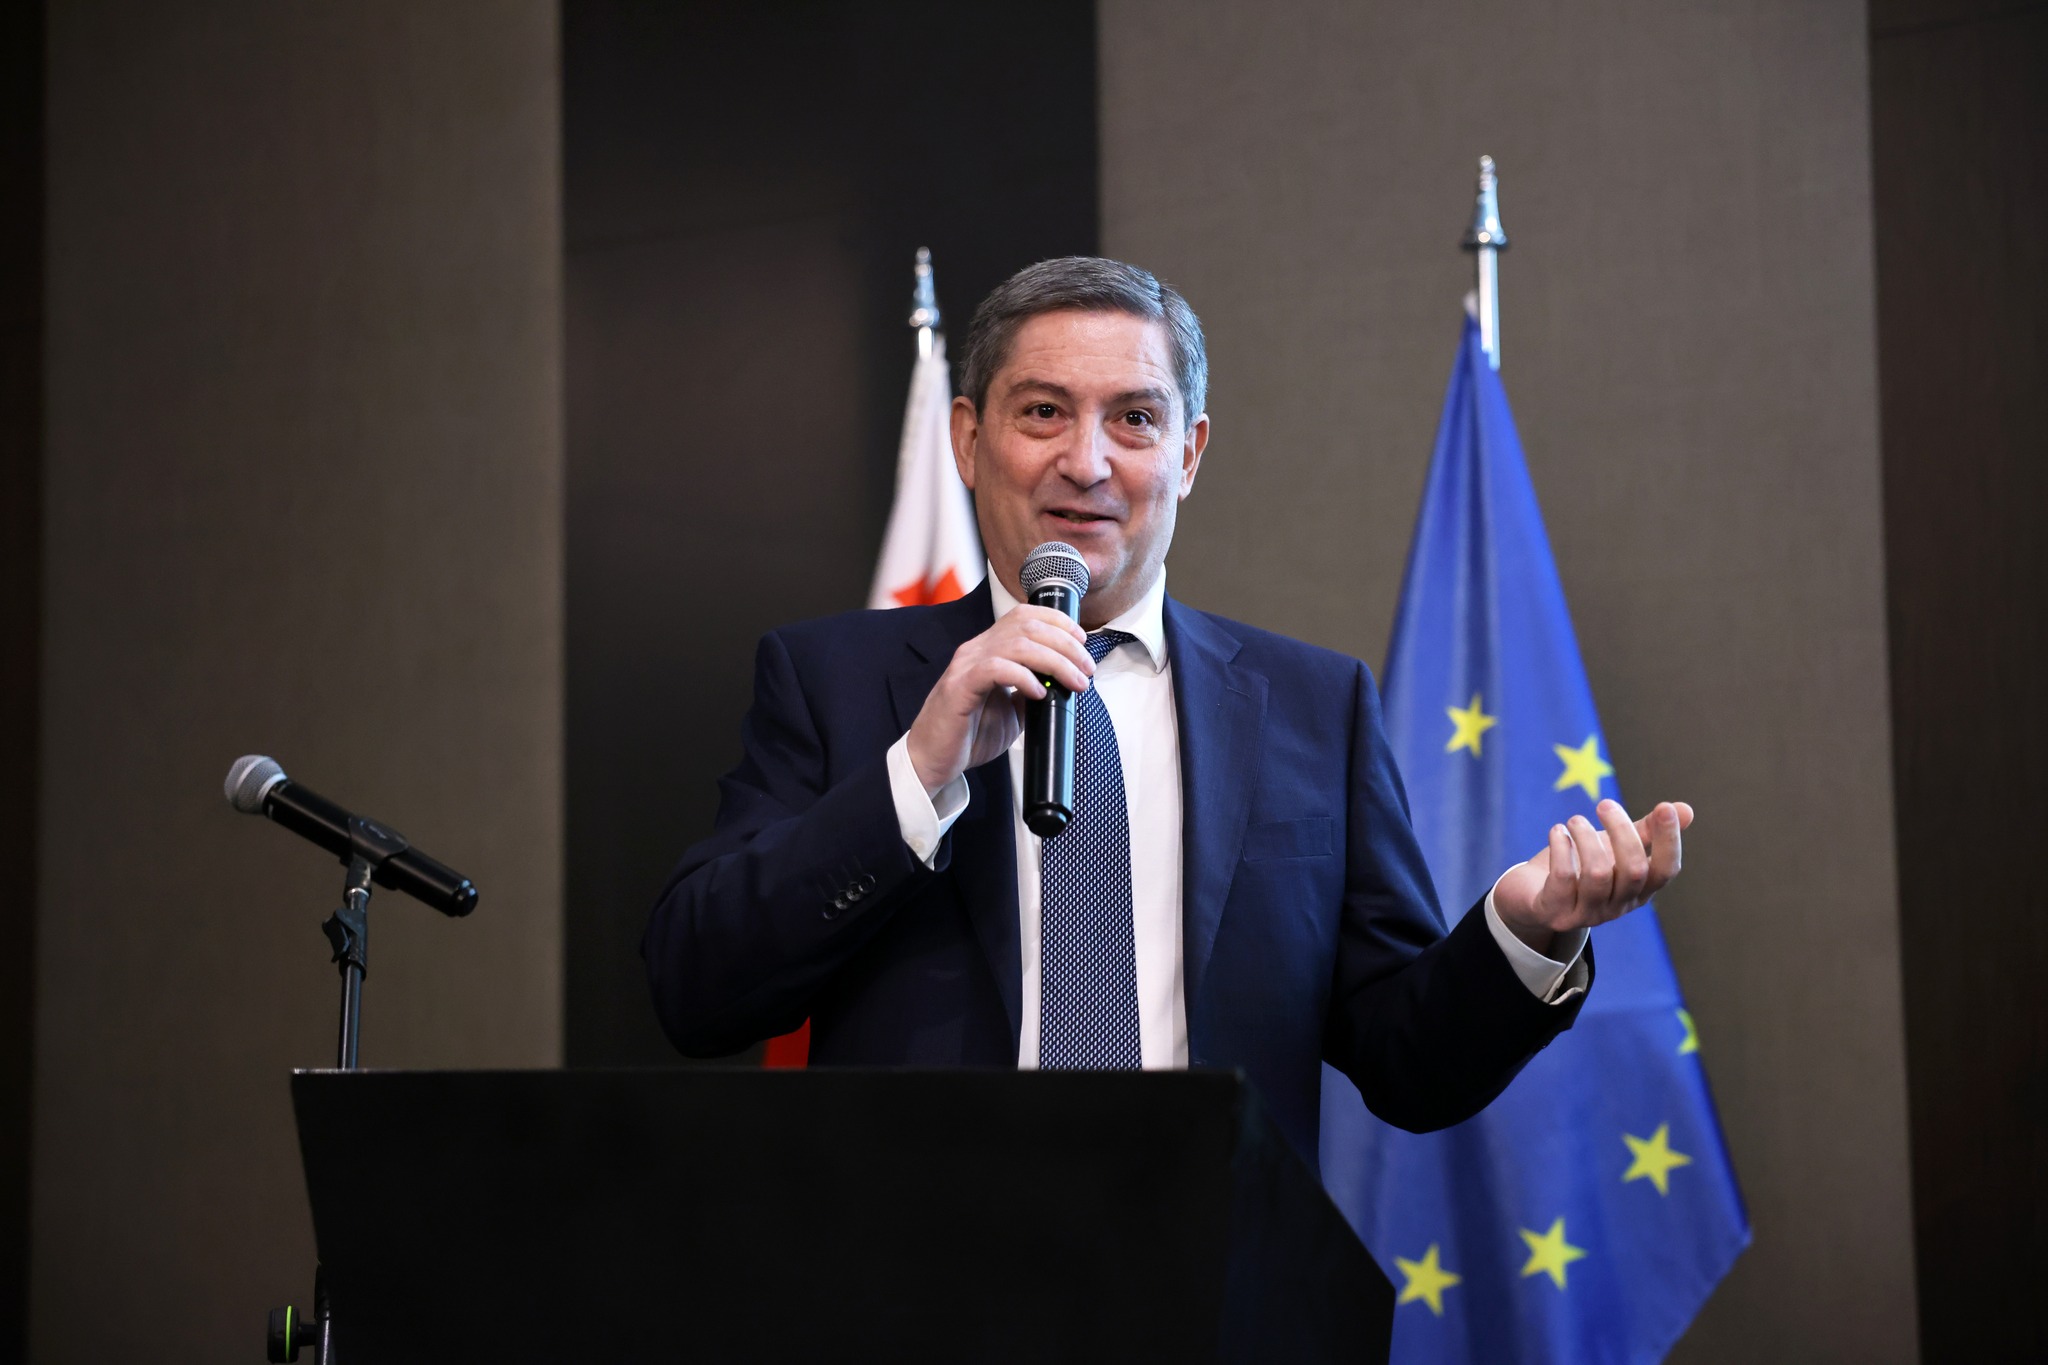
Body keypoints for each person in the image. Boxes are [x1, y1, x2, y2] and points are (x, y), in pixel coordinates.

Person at [642, 256, 1693, 1166]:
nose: (1087, 461)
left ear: (1187, 455)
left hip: (1210, 1269)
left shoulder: (1314, 708)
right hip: (924, 1275)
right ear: (967, 438)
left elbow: (1408, 1066)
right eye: (1042, 412)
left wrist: (1521, 931)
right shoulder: (830, 678)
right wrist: (916, 775)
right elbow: (699, 991)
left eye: (1134, 419)